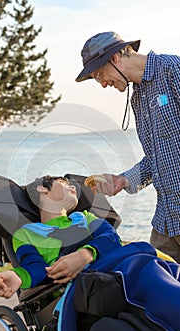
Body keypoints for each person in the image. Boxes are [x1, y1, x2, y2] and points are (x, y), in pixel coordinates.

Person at [0, 175, 180, 331]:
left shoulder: (85, 218)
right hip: (82, 287)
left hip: (115, 272)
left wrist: (85, 254)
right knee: (138, 278)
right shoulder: (26, 234)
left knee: (140, 271)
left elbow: (111, 239)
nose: (74, 186)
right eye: (64, 182)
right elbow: (35, 268)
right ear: (42, 189)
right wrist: (18, 277)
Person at [75, 31, 180, 263]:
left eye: (99, 75)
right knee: (149, 284)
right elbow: (157, 158)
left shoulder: (173, 70)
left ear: (114, 58)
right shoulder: (138, 97)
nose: (103, 84)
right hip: (167, 219)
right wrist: (123, 181)